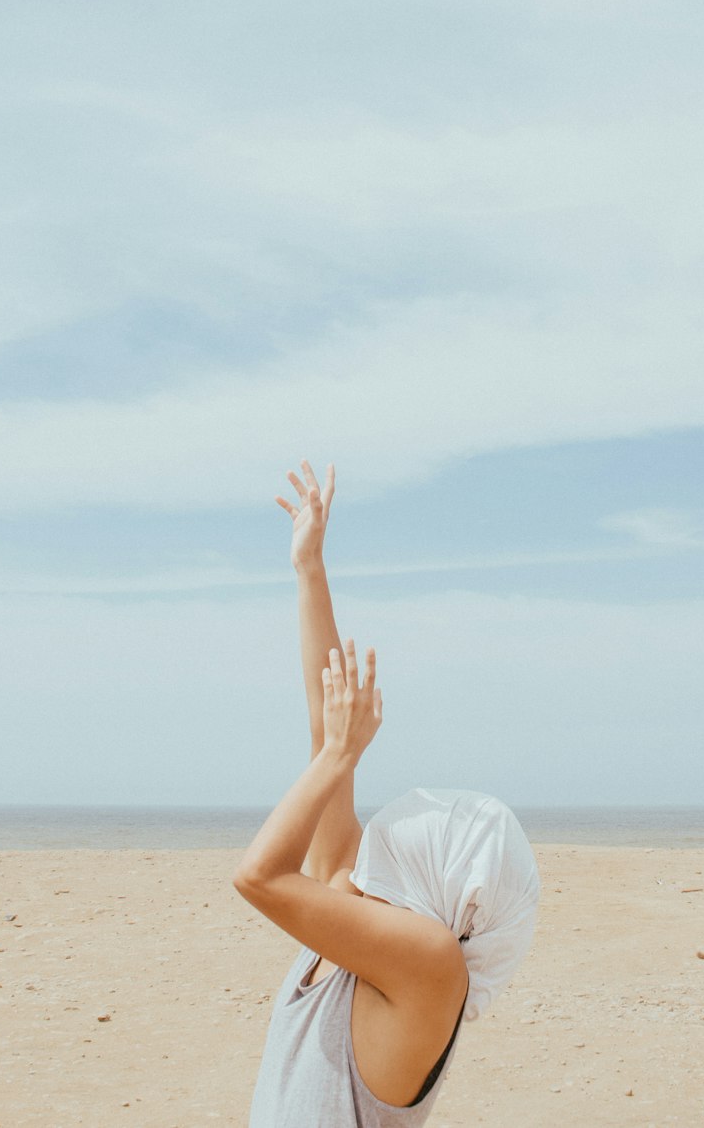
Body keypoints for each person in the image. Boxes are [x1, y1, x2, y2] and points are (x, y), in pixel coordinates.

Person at [234, 461, 540, 1126]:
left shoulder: (430, 970)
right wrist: (309, 569)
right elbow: (326, 739)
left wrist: (345, 752)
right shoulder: (352, 911)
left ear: (448, 877)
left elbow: (259, 876)